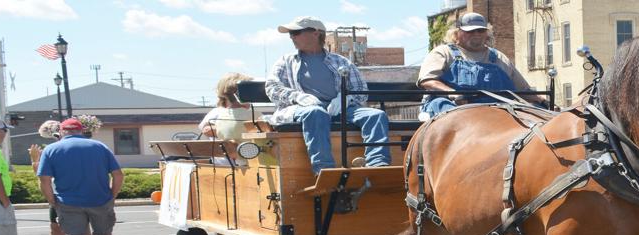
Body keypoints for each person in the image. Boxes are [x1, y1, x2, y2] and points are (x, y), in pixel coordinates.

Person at [264, 17, 389, 171]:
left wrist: (345, 99)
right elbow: (272, 88)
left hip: (338, 109)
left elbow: (360, 90)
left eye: (296, 32)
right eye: (291, 33)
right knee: (316, 113)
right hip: (302, 109)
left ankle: (378, 166)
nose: (291, 37)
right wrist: (298, 97)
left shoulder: (341, 62)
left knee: (375, 115)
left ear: (316, 34)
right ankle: (324, 170)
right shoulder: (286, 61)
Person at [36, 117, 125, 235]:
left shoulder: (51, 149)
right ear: (81, 130)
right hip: (100, 199)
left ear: (62, 131)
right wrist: (112, 195)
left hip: (68, 201)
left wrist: (52, 200)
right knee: (104, 234)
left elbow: (44, 179)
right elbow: (118, 175)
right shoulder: (99, 146)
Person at [418, 12, 532, 121]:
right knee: (450, 114)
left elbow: (523, 89)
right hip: (450, 105)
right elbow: (428, 81)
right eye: (470, 31)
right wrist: (452, 92)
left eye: (480, 30)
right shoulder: (443, 53)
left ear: (487, 33)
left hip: (494, 110)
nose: (476, 34)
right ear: (457, 33)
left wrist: (542, 101)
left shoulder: (498, 58)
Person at [28, 120, 71, 235]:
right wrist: (35, 160)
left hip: (74, 193)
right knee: (55, 229)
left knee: (83, 229)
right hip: (56, 194)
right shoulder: (51, 150)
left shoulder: (71, 150)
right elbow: (42, 175)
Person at [200, 73, 255, 141]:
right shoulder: (218, 113)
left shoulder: (252, 113)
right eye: (245, 91)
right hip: (226, 150)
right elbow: (207, 130)